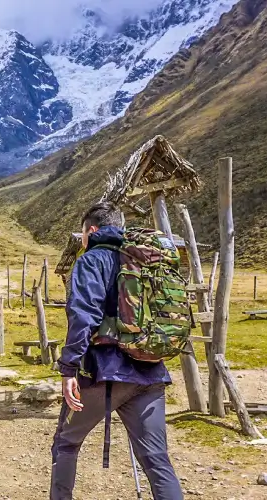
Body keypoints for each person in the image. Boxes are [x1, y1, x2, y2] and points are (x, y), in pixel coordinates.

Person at [50, 201, 182, 500]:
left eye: (83, 233)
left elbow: (83, 316)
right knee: (156, 459)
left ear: (92, 230)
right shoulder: (146, 260)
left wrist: (68, 369)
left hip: (104, 373)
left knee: (66, 444)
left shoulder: (91, 260)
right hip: (151, 371)